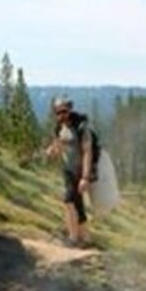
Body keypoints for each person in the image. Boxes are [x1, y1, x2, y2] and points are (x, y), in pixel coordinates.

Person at [47, 97, 93, 247]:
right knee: (77, 204)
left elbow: (87, 152)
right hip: (68, 171)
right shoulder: (59, 127)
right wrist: (52, 151)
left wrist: (85, 177)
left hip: (80, 171)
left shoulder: (81, 127)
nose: (61, 115)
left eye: (64, 111)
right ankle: (85, 239)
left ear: (70, 109)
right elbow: (58, 147)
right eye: (58, 112)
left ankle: (73, 238)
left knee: (68, 200)